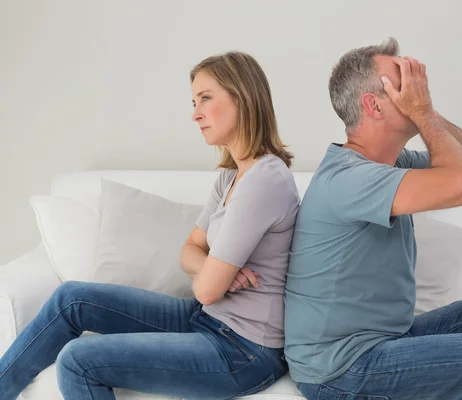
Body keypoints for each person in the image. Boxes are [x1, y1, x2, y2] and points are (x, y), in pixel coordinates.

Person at [0, 51, 299, 400]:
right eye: (194, 101)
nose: (195, 113)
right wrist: (215, 268)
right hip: (205, 319)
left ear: (243, 97)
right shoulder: (231, 177)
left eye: (205, 98)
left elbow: (206, 290)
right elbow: (188, 251)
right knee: (71, 299)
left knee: (77, 361)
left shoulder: (266, 180)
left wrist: (214, 275)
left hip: (243, 350)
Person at [284, 38, 462, 400]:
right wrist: (420, 111)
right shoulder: (349, 179)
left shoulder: (391, 162)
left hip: (386, 341)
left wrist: (427, 110)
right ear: (373, 105)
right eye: (402, 82)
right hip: (341, 370)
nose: (415, 87)